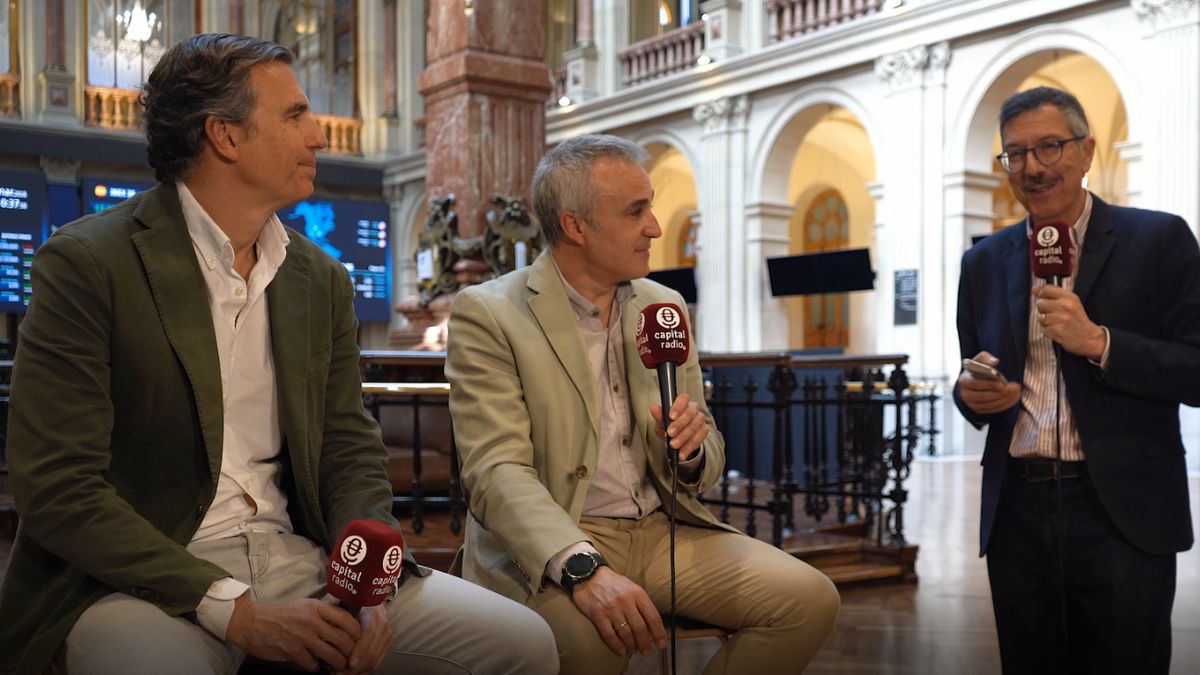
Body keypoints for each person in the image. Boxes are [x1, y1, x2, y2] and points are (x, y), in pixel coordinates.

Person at [0, 34, 557, 675]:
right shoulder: (89, 263)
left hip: (298, 554)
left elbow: (349, 446)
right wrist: (233, 610)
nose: (318, 135)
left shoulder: (319, 278)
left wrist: (369, 581)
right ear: (225, 136)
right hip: (138, 576)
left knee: (522, 644)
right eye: (295, 115)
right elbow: (58, 487)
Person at [444, 133, 840, 675]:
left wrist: (693, 451)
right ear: (575, 226)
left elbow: (708, 453)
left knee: (809, 600)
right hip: (555, 535)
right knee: (590, 648)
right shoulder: (489, 313)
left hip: (662, 530)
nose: (654, 226)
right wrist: (583, 568)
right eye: (636, 211)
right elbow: (495, 473)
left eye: (650, 207)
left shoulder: (664, 305)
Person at [954, 86, 1200, 674]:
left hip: (1119, 507)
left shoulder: (1158, 241)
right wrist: (973, 395)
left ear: (1086, 151)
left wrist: (1100, 342)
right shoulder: (983, 261)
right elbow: (972, 373)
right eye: (1015, 154)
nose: (1032, 167)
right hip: (1016, 505)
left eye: (1049, 147)